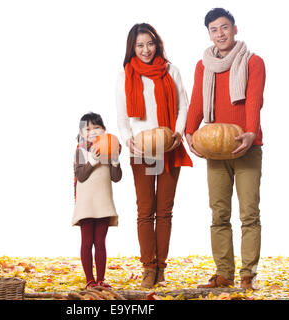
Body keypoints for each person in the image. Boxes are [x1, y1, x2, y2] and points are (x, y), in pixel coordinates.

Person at [185, 8, 266, 290]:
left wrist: (251, 132)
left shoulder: (253, 61)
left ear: (235, 29)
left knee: (249, 214)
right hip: (216, 150)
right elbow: (196, 102)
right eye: (214, 30)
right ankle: (224, 274)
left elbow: (254, 100)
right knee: (219, 215)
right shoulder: (203, 66)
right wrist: (189, 132)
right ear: (209, 33)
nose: (220, 34)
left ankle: (248, 275)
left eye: (224, 28)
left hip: (247, 146)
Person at [116, 23, 193, 288]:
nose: (146, 49)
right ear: (132, 48)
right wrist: (128, 141)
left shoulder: (172, 70)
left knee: (165, 211)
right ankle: (148, 267)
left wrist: (178, 134)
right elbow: (122, 116)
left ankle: (161, 267)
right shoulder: (125, 74)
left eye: (150, 43)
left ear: (156, 43)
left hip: (169, 146)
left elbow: (184, 105)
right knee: (145, 210)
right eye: (140, 45)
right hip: (142, 150)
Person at [72, 112, 122, 289]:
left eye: (96, 127)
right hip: (86, 205)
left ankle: (100, 279)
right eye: (88, 128)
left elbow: (116, 178)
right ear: (82, 132)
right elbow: (81, 176)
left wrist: (115, 161)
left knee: (100, 242)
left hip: (103, 203)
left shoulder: (109, 150)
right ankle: (90, 281)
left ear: (104, 130)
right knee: (86, 242)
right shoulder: (81, 151)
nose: (92, 131)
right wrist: (92, 160)